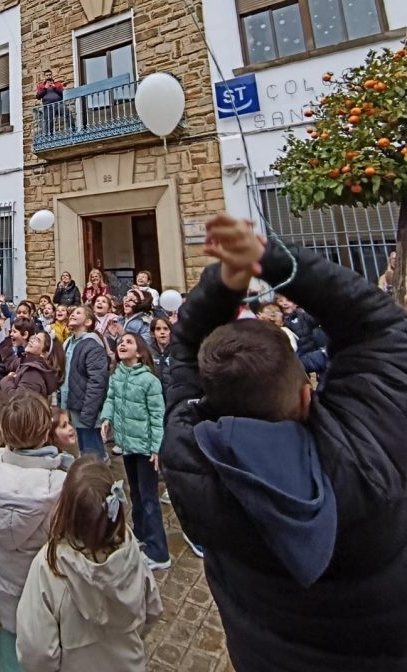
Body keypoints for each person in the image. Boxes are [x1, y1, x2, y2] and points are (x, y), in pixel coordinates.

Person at [162, 213, 407, 672]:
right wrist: (265, 258)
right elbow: (378, 325)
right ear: (304, 393)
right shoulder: (373, 442)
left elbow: (181, 356)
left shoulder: (192, 461)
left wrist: (224, 282)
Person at [16, 456, 162, 672]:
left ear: (66, 507)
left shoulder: (49, 564)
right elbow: (152, 608)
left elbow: (36, 650)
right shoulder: (129, 550)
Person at [0, 392, 69, 672]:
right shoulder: (58, 485)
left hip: (5, 581)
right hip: (44, 591)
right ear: (45, 433)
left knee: (10, 630)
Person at [100, 334, 169, 571]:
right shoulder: (117, 375)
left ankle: (159, 552)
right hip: (127, 444)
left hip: (146, 448)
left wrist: (157, 447)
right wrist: (107, 418)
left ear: (139, 352)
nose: (122, 344)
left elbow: (158, 417)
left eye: (129, 342)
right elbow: (111, 398)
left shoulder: (150, 381)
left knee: (149, 498)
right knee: (135, 493)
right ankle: (142, 535)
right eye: (121, 341)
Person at [62, 305, 109, 457]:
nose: (72, 314)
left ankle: (99, 477)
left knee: (92, 453)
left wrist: (89, 412)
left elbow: (97, 381)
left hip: (85, 407)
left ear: (88, 322)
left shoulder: (92, 345)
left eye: (78, 312)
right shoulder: (69, 342)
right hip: (72, 404)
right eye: (72, 311)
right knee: (81, 451)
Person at [0, 330, 62, 398]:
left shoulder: (33, 372)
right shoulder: (27, 361)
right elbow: (10, 361)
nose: (31, 340)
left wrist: (7, 380)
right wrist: (6, 341)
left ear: (44, 353)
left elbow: (18, 399)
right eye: (33, 337)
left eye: (37, 340)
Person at [149, 316, 173, 400]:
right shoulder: (148, 352)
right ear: (153, 333)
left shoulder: (177, 351)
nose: (162, 332)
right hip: (155, 399)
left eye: (165, 329)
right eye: (158, 329)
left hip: (172, 399)